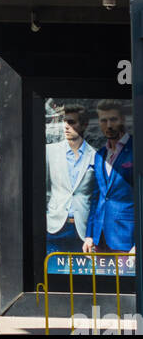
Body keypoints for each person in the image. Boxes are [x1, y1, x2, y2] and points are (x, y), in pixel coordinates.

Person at [83, 101, 135, 256]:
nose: (109, 125)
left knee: (125, 281)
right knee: (100, 281)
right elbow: (97, 197)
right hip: (99, 239)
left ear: (123, 120)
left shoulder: (137, 149)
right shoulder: (100, 155)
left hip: (127, 238)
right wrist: (89, 234)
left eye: (113, 119)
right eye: (103, 120)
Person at [46, 105, 97, 256]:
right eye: (65, 122)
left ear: (84, 125)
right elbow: (41, 187)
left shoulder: (95, 156)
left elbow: (96, 196)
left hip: (82, 230)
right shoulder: (50, 151)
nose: (66, 126)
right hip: (54, 226)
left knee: (82, 276)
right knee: (52, 273)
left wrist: (92, 232)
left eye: (72, 122)